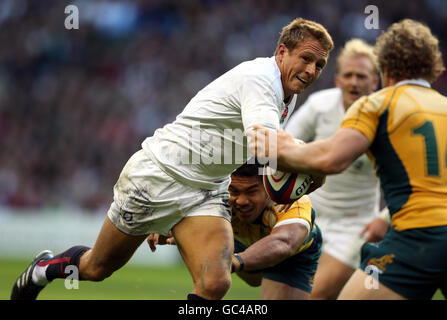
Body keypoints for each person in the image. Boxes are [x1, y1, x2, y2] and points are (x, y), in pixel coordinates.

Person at [11, 18, 333, 300]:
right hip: (159, 176)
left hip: (207, 188)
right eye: (305, 59)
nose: (311, 71)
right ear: (281, 52)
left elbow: (260, 154)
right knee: (97, 267)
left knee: (215, 282)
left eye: (319, 66)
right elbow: (267, 147)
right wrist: (318, 163)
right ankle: (44, 268)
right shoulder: (261, 81)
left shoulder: (286, 97)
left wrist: (305, 168)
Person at [248, 19, 447, 300]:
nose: (355, 83)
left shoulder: (377, 104)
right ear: (434, 67)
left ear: (384, 69)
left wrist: (275, 148)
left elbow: (331, 159)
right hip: (330, 218)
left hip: (414, 236)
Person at [285, 38, 389, 299]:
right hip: (311, 216)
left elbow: (408, 180)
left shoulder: (386, 119)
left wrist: (384, 219)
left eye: (362, 76)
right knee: (284, 291)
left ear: (375, 82)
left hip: (355, 226)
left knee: (314, 294)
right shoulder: (320, 106)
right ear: (338, 80)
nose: (354, 82)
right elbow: (284, 144)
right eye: (349, 75)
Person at [149, 161, 323, 299]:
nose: (241, 201)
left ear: (268, 188)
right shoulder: (218, 191)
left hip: (292, 259)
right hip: (239, 245)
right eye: (234, 191)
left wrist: (234, 261)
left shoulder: (294, 203)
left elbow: (284, 242)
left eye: (251, 191)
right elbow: (186, 212)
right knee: (214, 285)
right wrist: (168, 226)